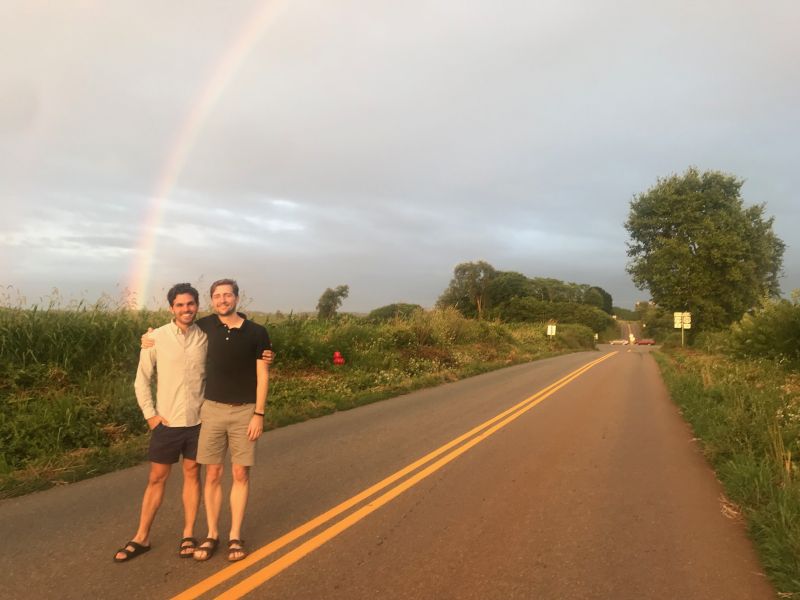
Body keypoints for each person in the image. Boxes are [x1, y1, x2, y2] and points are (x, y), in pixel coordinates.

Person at [114, 283, 206, 562]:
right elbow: (141, 379)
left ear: (197, 306)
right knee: (156, 478)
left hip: (199, 421)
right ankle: (142, 537)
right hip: (166, 422)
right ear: (171, 308)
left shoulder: (207, 336)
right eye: (180, 305)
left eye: (190, 304)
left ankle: (188, 533)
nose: (186, 309)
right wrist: (151, 416)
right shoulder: (156, 338)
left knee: (192, 475)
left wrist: (264, 354)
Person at [190, 279, 271, 562]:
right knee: (212, 474)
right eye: (217, 296)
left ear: (237, 298)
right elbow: (175, 334)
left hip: (245, 411)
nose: (222, 300)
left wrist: (259, 413)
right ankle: (212, 534)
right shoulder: (204, 326)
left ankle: (235, 535)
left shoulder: (257, 332)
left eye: (227, 295)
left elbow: (263, 375)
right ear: (212, 300)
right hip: (211, 410)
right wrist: (149, 337)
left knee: (240, 474)